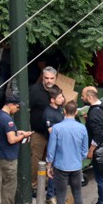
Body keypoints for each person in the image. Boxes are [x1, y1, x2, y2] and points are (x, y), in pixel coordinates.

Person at [47, 100, 88, 204]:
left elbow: (51, 149)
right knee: (77, 194)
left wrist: (49, 165)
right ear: (76, 112)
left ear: (64, 111)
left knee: (60, 196)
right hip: (76, 167)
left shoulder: (57, 128)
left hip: (60, 166)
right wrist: (78, 159)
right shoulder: (82, 128)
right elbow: (84, 150)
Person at [0, 95, 32, 204]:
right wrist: (23, 135)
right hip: (8, 157)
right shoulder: (7, 120)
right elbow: (11, 140)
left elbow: (4, 133)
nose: (18, 109)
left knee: (6, 182)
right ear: (10, 104)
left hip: (1, 154)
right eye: (17, 106)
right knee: (10, 184)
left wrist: (16, 132)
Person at [82, 86, 103, 204]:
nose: (81, 97)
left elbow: (98, 134)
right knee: (101, 176)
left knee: (100, 178)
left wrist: (91, 150)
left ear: (90, 97)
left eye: (83, 95)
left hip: (100, 150)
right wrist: (88, 120)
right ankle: (102, 200)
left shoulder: (94, 113)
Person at [29, 66, 57, 194]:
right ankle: (33, 185)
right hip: (38, 132)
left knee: (48, 159)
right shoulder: (34, 91)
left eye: (52, 78)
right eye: (46, 78)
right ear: (42, 78)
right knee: (36, 159)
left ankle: (45, 182)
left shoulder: (57, 91)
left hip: (52, 133)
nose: (49, 81)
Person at [43, 86, 65, 204]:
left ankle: (57, 194)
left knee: (60, 171)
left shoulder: (60, 109)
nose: (63, 99)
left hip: (62, 145)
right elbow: (52, 131)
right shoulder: (48, 113)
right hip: (55, 146)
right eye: (60, 97)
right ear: (52, 100)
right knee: (53, 171)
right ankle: (50, 195)